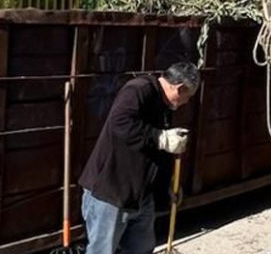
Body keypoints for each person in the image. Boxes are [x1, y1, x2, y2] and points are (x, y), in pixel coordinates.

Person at [78, 62, 199, 254]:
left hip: (141, 196)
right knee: (102, 250)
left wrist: (167, 185)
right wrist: (161, 138)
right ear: (180, 88)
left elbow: (156, 153)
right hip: (110, 192)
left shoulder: (166, 104)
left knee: (141, 249)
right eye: (188, 96)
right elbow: (120, 124)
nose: (187, 101)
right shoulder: (138, 90)